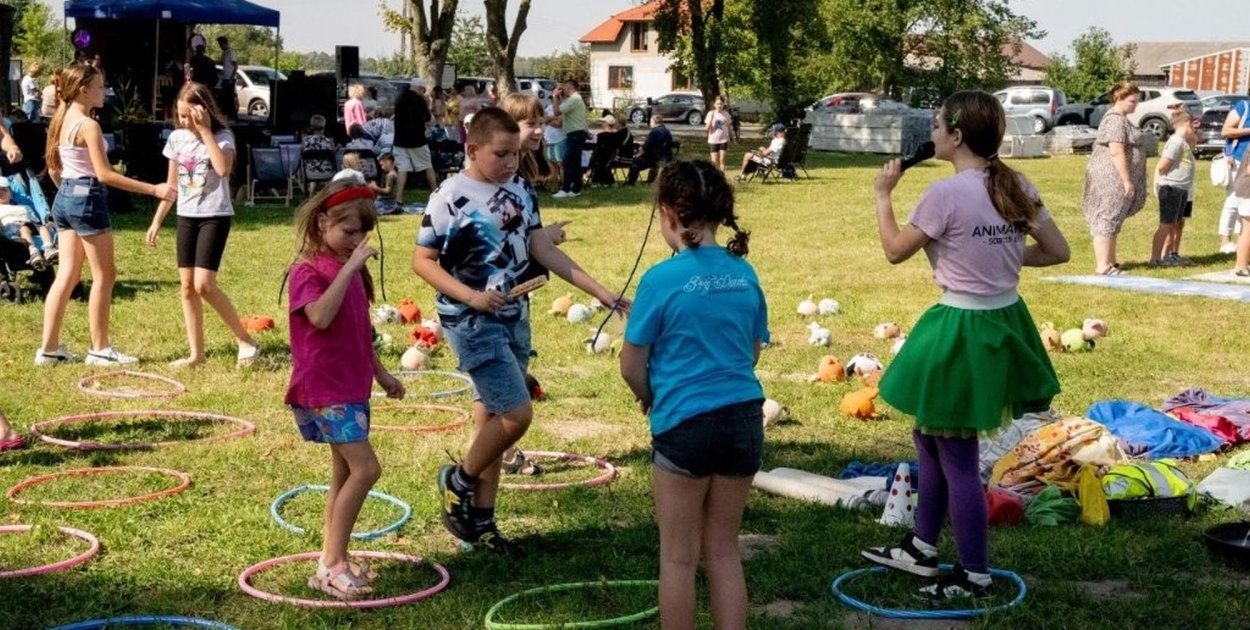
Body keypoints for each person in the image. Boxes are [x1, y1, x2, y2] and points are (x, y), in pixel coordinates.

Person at [862, 90, 1069, 600]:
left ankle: (974, 576)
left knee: (957, 457)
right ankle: (922, 547)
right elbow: (1057, 251)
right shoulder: (1017, 183)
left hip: (961, 330)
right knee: (931, 440)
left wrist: (884, 195)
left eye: (936, 126)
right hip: (1002, 323)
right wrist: (1001, 261)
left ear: (955, 137)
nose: (931, 135)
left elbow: (894, 252)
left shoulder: (944, 194)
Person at [412, 108, 628, 555]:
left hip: (515, 314)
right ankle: (458, 480)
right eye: (501, 154)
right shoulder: (449, 196)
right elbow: (422, 261)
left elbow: (539, 246)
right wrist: (471, 297)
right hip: (470, 320)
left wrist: (603, 293)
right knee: (517, 413)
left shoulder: (520, 187)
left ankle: (480, 522)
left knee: (493, 420)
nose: (511, 162)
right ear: (472, 149)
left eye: (516, 153)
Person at [618, 160, 766, 630]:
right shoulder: (745, 275)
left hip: (685, 425)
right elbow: (752, 351)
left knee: (678, 559)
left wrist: (651, 395)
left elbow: (631, 366)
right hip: (744, 421)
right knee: (724, 550)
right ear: (722, 213)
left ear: (667, 213)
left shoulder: (660, 280)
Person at [285, 179, 405, 599]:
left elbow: (359, 331)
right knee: (367, 469)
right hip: (324, 389)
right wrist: (352, 267)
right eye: (347, 231)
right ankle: (332, 566)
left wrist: (382, 374)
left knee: (344, 473)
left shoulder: (347, 269)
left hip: (351, 387)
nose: (356, 241)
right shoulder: (308, 271)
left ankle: (331, 558)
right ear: (321, 223)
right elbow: (319, 317)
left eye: (362, 233)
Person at [37, 64, 175, 367]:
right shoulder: (88, 125)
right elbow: (104, 175)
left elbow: (54, 170)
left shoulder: (61, 119)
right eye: (100, 86)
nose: (105, 91)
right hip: (86, 199)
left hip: (64, 199)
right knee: (105, 275)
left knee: (67, 275)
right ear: (84, 89)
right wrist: (154, 190)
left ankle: (48, 349)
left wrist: (68, 195)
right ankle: (100, 349)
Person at [144, 82, 260, 369]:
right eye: (181, 116)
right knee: (187, 287)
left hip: (214, 215)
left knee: (204, 285)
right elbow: (172, 186)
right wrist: (157, 220)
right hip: (186, 216)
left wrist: (206, 130)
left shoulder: (222, 137)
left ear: (204, 110)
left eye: (190, 116)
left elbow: (222, 170)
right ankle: (197, 354)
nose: (186, 122)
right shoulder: (177, 139)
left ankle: (246, 341)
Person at [1082, 81, 1145, 275]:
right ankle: (1103, 266)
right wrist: (1127, 180)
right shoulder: (1115, 120)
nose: (1136, 105)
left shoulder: (1123, 119)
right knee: (1107, 217)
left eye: (1137, 101)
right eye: (1132, 101)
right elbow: (1117, 152)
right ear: (1119, 98)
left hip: (1118, 177)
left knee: (1115, 218)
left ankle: (1110, 262)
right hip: (1111, 178)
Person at [1150, 109, 1198, 267]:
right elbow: (1163, 165)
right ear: (1187, 123)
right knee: (1166, 223)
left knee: (1175, 222)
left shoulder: (1183, 141)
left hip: (1181, 189)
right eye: (1192, 124)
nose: (1194, 128)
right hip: (1171, 188)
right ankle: (1155, 258)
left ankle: (1169, 255)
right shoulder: (1176, 141)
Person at [392, 80, 437, 204]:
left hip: (400, 139)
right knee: (427, 165)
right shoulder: (419, 100)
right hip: (417, 140)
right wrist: (426, 103)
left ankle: (399, 198)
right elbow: (427, 118)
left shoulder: (399, 98)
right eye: (423, 90)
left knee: (402, 168)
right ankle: (435, 192)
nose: (424, 92)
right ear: (419, 88)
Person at [0, 178, 56, 269]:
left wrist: (47, 224)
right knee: (24, 228)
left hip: (30, 226)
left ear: (10, 193)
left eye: (4, 190)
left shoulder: (24, 207)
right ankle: (33, 251)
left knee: (42, 227)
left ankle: (49, 248)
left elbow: (34, 220)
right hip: (12, 232)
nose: (1, 193)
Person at [1221, 98, 1250, 254]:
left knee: (1246, 205)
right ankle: (1225, 241)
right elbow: (1225, 131)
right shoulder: (1244, 106)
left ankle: (1242, 242)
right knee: (1233, 201)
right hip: (1239, 160)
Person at [553, 78, 588, 198]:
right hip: (575, 134)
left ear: (569, 87)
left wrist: (555, 97)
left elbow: (557, 111)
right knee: (575, 162)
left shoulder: (574, 99)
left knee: (567, 161)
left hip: (575, 134)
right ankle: (576, 189)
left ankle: (566, 189)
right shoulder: (574, 100)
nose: (563, 91)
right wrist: (561, 98)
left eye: (564, 88)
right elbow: (563, 107)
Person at [626, 115, 674, 186]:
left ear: (654, 122)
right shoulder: (667, 132)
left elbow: (646, 147)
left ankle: (630, 183)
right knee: (651, 164)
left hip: (654, 158)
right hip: (666, 157)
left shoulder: (654, 132)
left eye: (651, 121)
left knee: (634, 162)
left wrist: (637, 156)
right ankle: (650, 181)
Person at [302, 115, 337, 195]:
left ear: (311, 127)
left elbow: (302, 153)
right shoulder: (329, 142)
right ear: (324, 126)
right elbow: (333, 154)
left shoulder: (306, 141)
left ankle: (311, 196)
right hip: (327, 173)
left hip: (310, 173)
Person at [704, 95, 735, 173]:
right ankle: (715, 177)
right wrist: (711, 119)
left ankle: (722, 176)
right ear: (714, 104)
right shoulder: (711, 113)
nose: (719, 106)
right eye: (717, 104)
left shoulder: (726, 114)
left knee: (722, 160)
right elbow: (706, 129)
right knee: (714, 162)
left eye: (721, 104)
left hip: (723, 140)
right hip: (713, 140)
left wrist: (732, 138)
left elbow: (729, 127)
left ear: (723, 104)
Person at [216, 36, 238, 119]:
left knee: (230, 98)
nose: (220, 46)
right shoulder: (224, 53)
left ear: (225, 43)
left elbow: (235, 66)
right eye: (219, 45)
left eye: (221, 44)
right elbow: (222, 63)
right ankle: (227, 115)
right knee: (225, 98)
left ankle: (233, 117)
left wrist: (231, 78)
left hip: (230, 79)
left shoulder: (231, 53)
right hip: (225, 78)